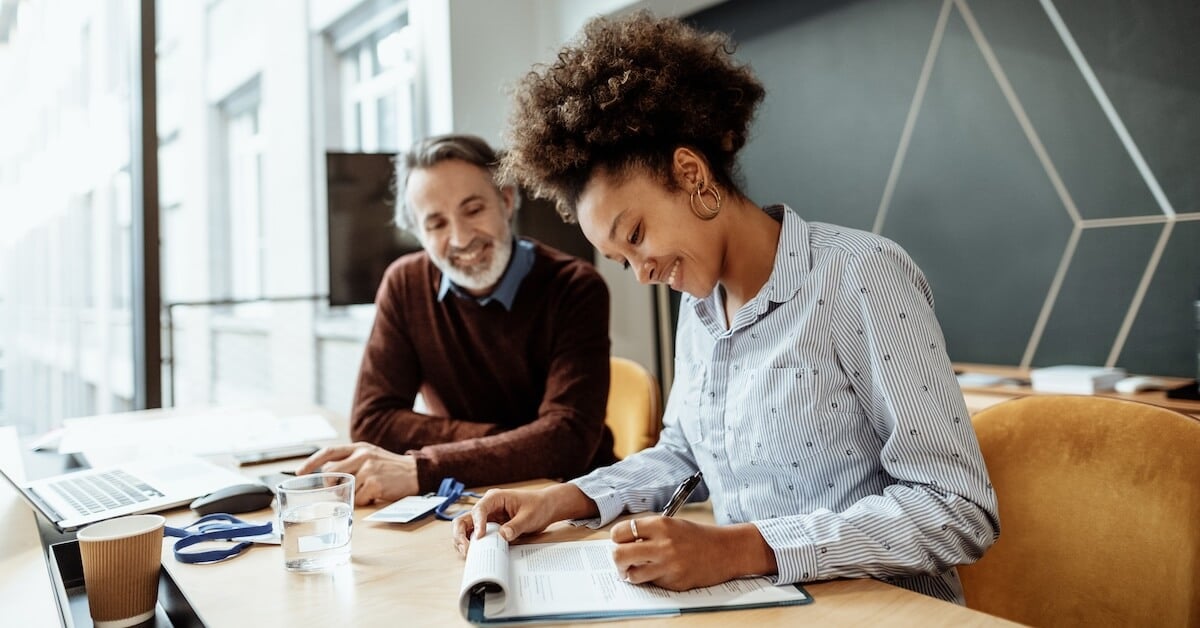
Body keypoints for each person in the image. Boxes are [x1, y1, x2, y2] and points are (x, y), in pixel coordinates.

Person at [453, 13, 999, 604]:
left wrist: (740, 548)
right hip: (763, 609)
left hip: (885, 612)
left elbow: (957, 509)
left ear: (691, 173)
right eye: (620, 260)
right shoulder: (700, 307)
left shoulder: (858, 277)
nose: (641, 275)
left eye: (635, 235)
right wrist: (564, 498)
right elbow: (683, 454)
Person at [299, 134, 617, 504]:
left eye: (473, 209)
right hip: (463, 497)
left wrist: (424, 468)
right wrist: (524, 439)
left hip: (569, 500)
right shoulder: (405, 284)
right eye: (436, 224)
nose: (461, 237)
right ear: (418, 233)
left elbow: (567, 443)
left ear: (507, 200)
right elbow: (373, 423)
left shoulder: (575, 287)